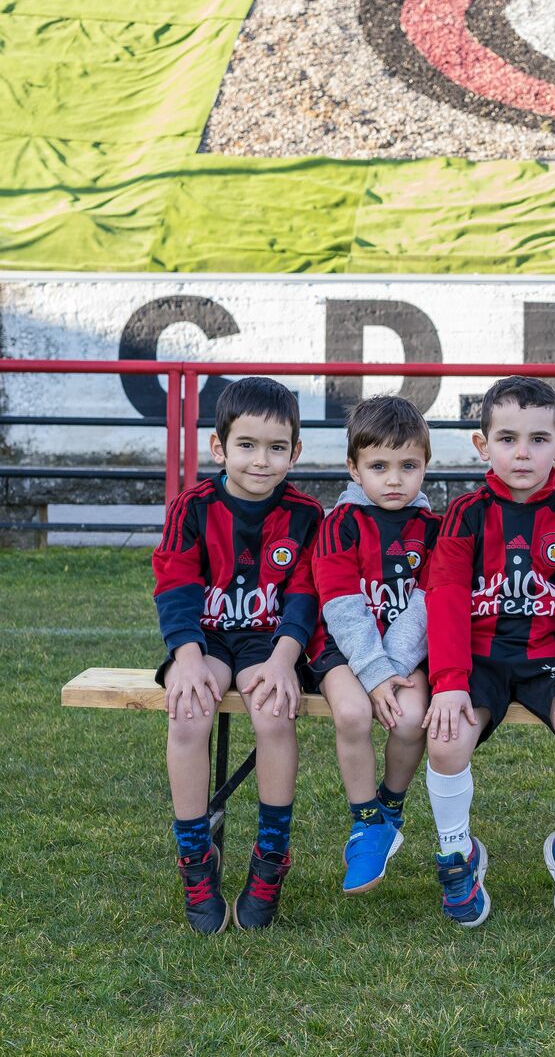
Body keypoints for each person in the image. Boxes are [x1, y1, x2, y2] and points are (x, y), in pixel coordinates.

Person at [422, 376, 555, 928]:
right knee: (446, 736)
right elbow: (449, 598)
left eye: (537, 439)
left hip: (549, 659)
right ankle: (458, 856)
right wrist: (451, 680)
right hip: (478, 659)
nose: (522, 452)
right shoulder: (464, 513)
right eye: (507, 438)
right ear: (483, 446)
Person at [152, 376, 323, 934]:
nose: (261, 460)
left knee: (274, 711)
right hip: (205, 637)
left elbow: (304, 594)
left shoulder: (305, 515)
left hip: (268, 640)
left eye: (277, 448)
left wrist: (284, 659)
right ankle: (196, 860)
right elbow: (175, 584)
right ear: (219, 448)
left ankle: (271, 858)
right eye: (247, 446)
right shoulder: (192, 507)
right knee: (190, 709)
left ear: (295, 452)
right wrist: (187, 657)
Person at [308, 396, 439, 894]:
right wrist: (372, 671)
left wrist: (391, 670)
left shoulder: (434, 529)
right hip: (344, 648)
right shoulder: (339, 524)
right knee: (352, 713)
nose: (394, 479)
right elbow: (340, 605)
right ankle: (365, 822)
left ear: (425, 466)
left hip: (404, 655)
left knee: (409, 719)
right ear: (353, 468)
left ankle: (390, 805)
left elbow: (426, 604)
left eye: (409, 466)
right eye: (378, 466)